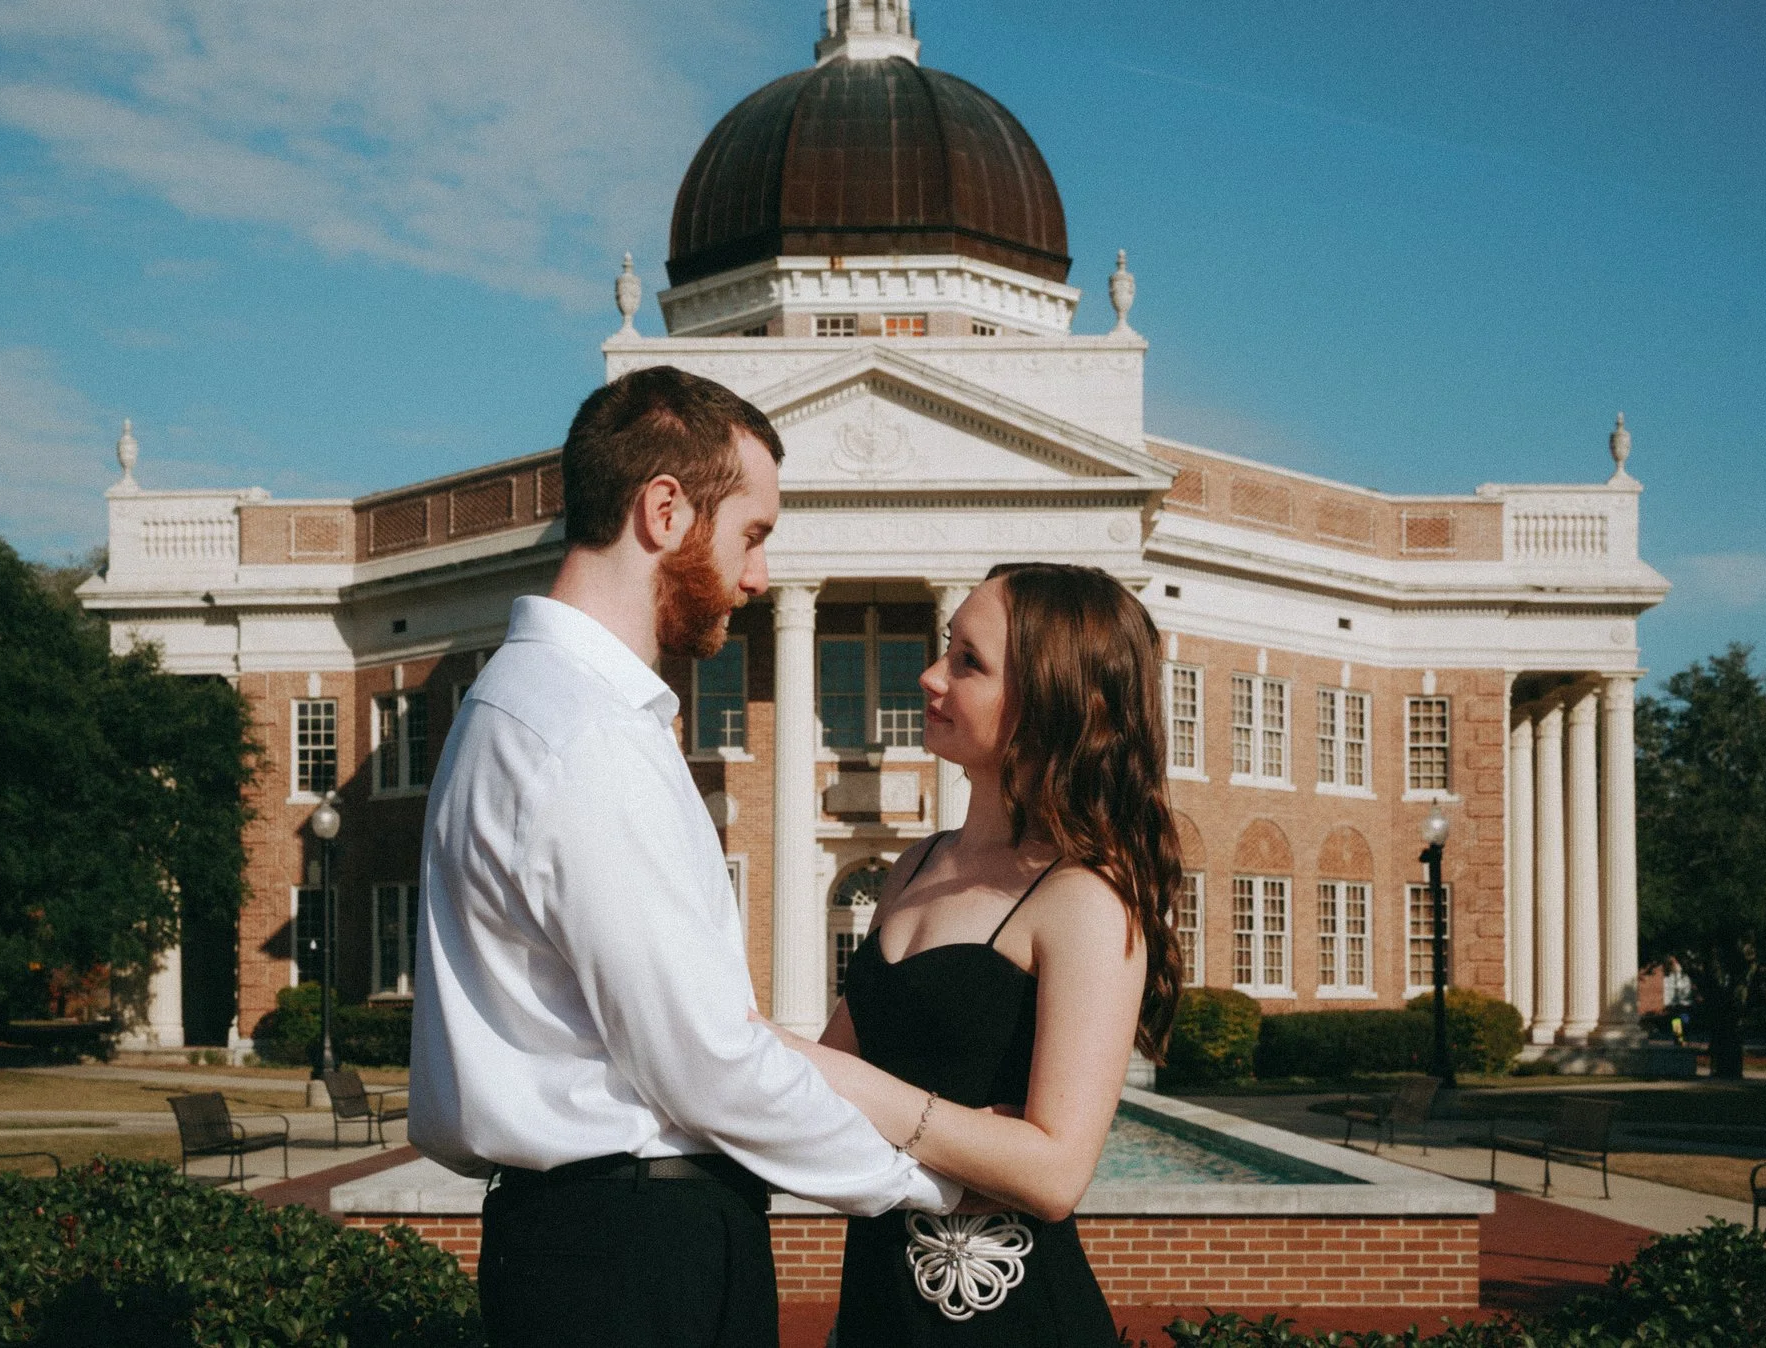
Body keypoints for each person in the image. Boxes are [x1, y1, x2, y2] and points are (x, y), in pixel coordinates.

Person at [409, 365, 961, 1348]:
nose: (756, 578)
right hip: (634, 1252)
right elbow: (703, 1061)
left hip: (585, 1241)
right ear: (664, 510)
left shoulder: (520, 704)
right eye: (751, 535)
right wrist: (924, 1184)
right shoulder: (586, 736)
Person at [770, 563, 1184, 1344]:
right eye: (944, 650)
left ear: (1049, 702)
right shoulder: (910, 869)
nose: (929, 677)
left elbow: (1055, 1175)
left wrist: (856, 1088)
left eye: (968, 661)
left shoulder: (1084, 899)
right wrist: (965, 1147)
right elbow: (816, 1106)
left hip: (1016, 1319)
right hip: (875, 1311)